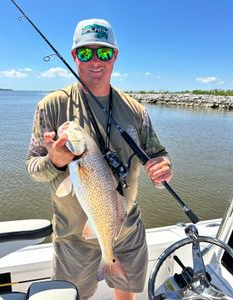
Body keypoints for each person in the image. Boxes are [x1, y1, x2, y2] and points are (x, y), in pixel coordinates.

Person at [26, 18, 172, 300]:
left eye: (104, 52)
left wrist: (163, 171)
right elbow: (33, 168)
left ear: (115, 55)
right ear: (73, 56)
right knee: (74, 296)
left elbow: (157, 155)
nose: (95, 61)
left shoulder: (136, 110)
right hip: (73, 239)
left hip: (127, 228)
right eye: (85, 52)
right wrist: (54, 161)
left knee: (126, 293)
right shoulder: (51, 106)